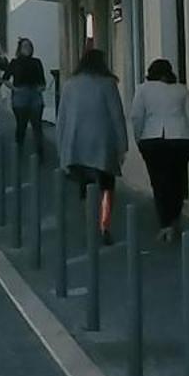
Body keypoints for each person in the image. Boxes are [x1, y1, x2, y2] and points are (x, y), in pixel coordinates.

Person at [56, 47, 129, 241]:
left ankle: (89, 220)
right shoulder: (108, 84)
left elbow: (62, 117)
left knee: (85, 185)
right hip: (103, 142)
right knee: (107, 185)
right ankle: (104, 224)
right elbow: (117, 116)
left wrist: (61, 147)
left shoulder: (70, 84)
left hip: (76, 143)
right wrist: (123, 144)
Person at [130, 59, 189, 241]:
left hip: (153, 140)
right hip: (180, 139)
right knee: (178, 180)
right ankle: (174, 220)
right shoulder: (181, 90)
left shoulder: (143, 90)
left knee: (159, 182)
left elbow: (136, 117)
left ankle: (165, 224)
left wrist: (138, 139)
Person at [6, 37, 48, 158]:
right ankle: (18, 150)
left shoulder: (37, 62)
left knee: (37, 125)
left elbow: (42, 80)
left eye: (29, 46)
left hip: (35, 94)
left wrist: (41, 87)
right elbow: (5, 78)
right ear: (20, 49)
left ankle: (40, 154)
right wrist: (14, 89)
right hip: (20, 94)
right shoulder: (15, 62)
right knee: (21, 125)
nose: (27, 49)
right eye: (25, 46)